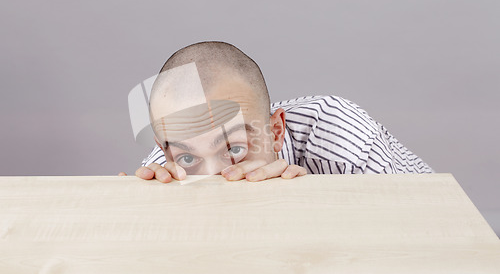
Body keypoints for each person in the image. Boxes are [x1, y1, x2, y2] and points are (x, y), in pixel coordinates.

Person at [119, 41, 433, 183]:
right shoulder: (168, 166)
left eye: (235, 149)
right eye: (188, 157)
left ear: (276, 131)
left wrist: (308, 207)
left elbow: (421, 240)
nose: (215, 176)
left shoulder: (343, 138)